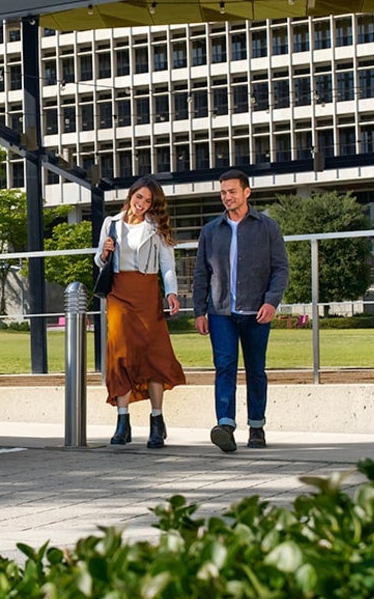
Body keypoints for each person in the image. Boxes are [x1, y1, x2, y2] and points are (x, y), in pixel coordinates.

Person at [192, 168, 289, 453]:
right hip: (221, 312)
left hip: (256, 310)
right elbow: (200, 273)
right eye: (223, 192)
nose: (227, 197)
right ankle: (226, 425)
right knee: (224, 367)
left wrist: (271, 301)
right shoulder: (211, 230)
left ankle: (256, 426)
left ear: (247, 192)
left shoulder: (267, 227)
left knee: (256, 370)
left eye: (232, 191)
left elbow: (280, 269)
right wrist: (199, 310)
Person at [94, 176, 185, 448]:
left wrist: (171, 292)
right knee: (120, 355)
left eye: (148, 201)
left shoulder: (156, 228)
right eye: (139, 197)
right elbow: (99, 260)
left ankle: (157, 421)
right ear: (131, 194)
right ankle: (123, 422)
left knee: (153, 356)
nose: (142, 204)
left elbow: (167, 264)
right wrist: (104, 253)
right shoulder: (111, 223)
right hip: (119, 293)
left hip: (147, 293)